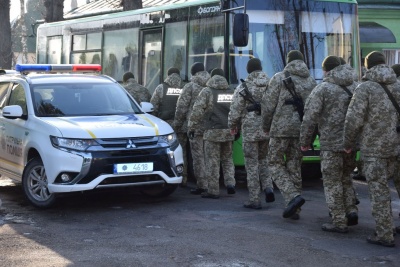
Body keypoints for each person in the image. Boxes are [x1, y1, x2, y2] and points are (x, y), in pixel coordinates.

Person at [343, 51, 400, 247]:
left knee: (379, 191)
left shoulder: (365, 88)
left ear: (368, 66)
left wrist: (348, 143)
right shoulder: (398, 84)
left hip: (374, 149)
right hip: (396, 147)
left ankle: (384, 234)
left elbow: (353, 119)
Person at [300, 56, 358, 233]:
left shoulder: (323, 89)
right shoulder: (356, 86)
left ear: (326, 70)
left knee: (332, 182)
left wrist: (305, 141)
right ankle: (351, 210)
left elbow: (310, 118)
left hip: (330, 144)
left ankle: (338, 221)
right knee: (346, 177)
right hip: (351, 144)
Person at [261, 50, 317, 219]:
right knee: (294, 166)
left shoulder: (279, 77)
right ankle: (295, 209)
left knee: (274, 163)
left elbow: (268, 105)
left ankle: (292, 196)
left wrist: (265, 126)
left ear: (288, 61)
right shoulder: (311, 81)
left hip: (281, 130)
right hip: (301, 130)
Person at [228, 58, 275, 209]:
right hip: (268, 129)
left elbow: (235, 109)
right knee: (264, 160)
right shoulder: (272, 84)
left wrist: (232, 126)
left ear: (248, 70)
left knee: (251, 164)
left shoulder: (244, 86)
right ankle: (268, 187)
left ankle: (255, 199)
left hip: (250, 131)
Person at [187, 68, 236, 199]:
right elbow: (237, 111)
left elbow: (197, 110)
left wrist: (192, 127)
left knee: (212, 161)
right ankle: (230, 183)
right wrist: (237, 128)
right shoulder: (231, 91)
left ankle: (213, 190)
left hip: (212, 132)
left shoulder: (207, 91)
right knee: (227, 159)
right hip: (228, 130)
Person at [173, 62, 210, 195]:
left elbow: (181, 108)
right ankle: (212, 184)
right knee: (210, 156)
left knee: (197, 156)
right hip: (211, 127)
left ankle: (200, 184)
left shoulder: (190, 86)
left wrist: (176, 125)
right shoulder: (211, 85)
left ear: (193, 73)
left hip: (194, 126)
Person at [150, 68, 187, 185]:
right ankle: (184, 177)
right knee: (182, 151)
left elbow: (153, 107)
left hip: (166, 127)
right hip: (182, 125)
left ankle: (168, 174)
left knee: (167, 151)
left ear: (168, 75)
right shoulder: (185, 87)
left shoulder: (161, 88)